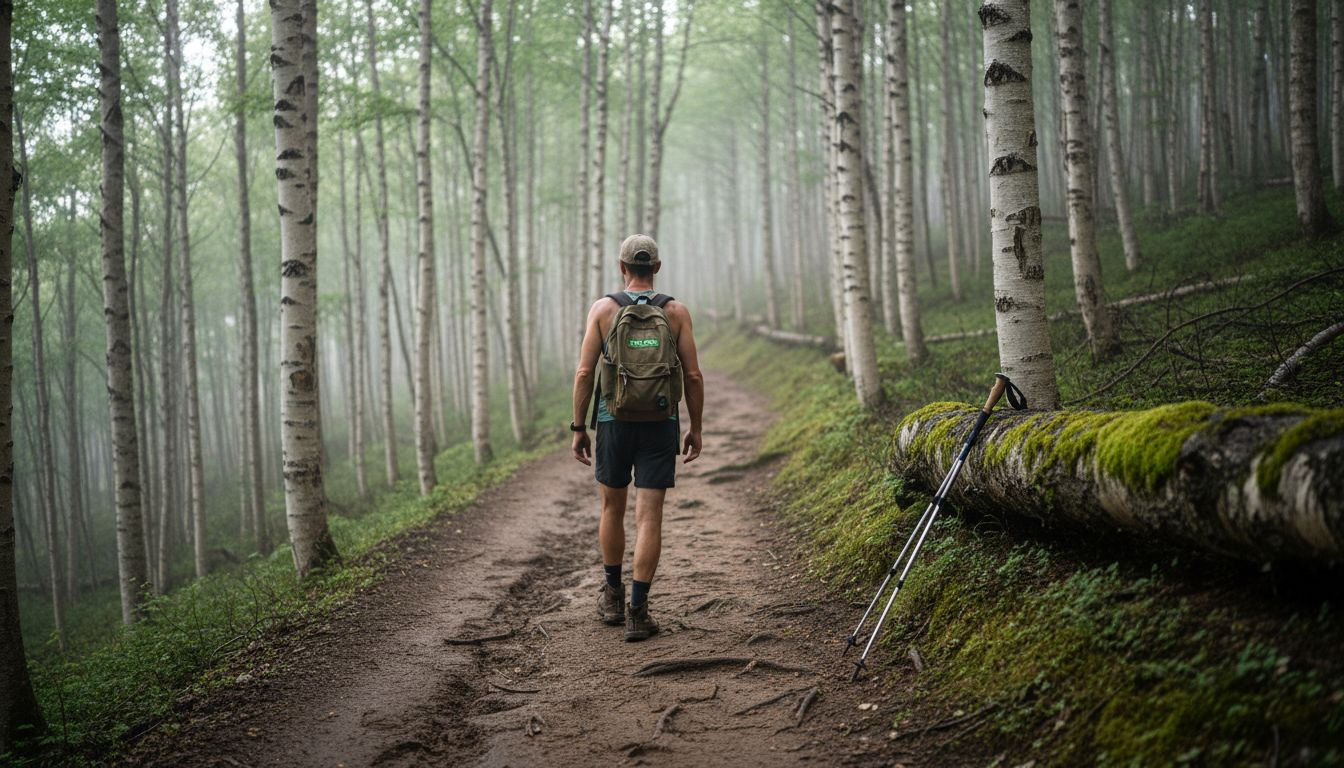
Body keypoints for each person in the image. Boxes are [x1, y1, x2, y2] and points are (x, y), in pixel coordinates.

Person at [570, 234, 704, 642]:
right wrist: (695, 427)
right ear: (657, 268)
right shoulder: (675, 311)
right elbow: (694, 375)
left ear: (622, 267)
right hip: (660, 421)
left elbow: (584, 374)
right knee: (650, 514)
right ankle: (638, 611)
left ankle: (611, 596)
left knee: (612, 508)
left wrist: (579, 427)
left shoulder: (604, 309)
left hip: (613, 420)